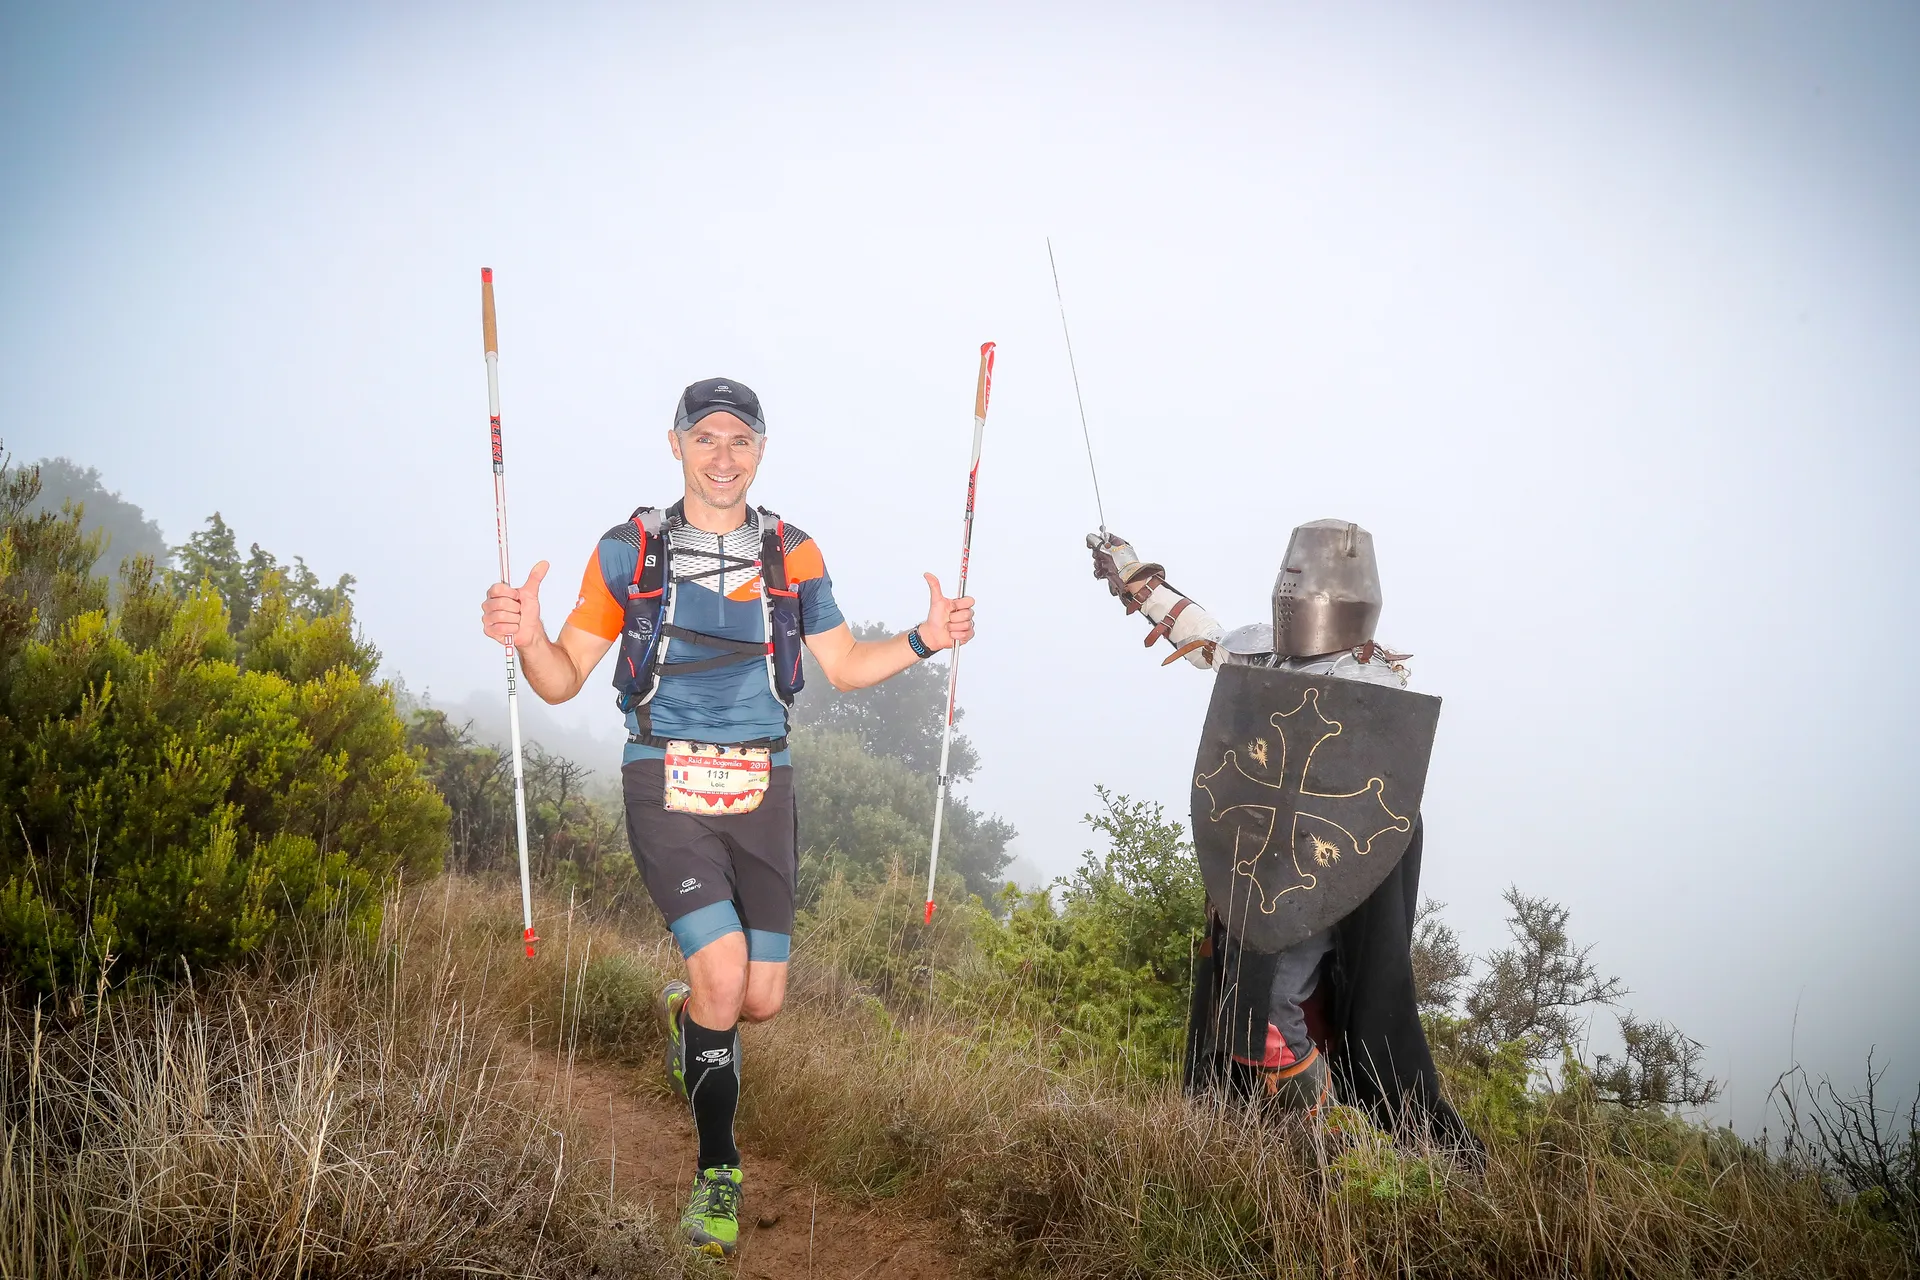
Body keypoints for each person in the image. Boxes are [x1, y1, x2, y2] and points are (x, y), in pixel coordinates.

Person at [481, 377, 976, 1256]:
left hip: (763, 784)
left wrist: (925, 639)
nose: (722, 456)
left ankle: (691, 1022)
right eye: (704, 437)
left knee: (760, 998)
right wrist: (527, 636)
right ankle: (718, 1174)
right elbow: (560, 680)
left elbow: (844, 666)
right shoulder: (630, 551)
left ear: (761, 450)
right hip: (663, 776)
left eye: (739, 439)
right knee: (721, 976)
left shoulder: (793, 553)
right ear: (675, 444)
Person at [1088, 520, 1469, 1142]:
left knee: (1269, 1008)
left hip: (1320, 871)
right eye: (1287, 580)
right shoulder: (1264, 653)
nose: (1292, 593)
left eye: (1302, 582)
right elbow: (1206, 640)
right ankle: (1259, 1141)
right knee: (1238, 1006)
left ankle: (1333, 1148)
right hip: (1258, 863)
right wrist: (1137, 579)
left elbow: (1374, 804)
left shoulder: (1374, 685)